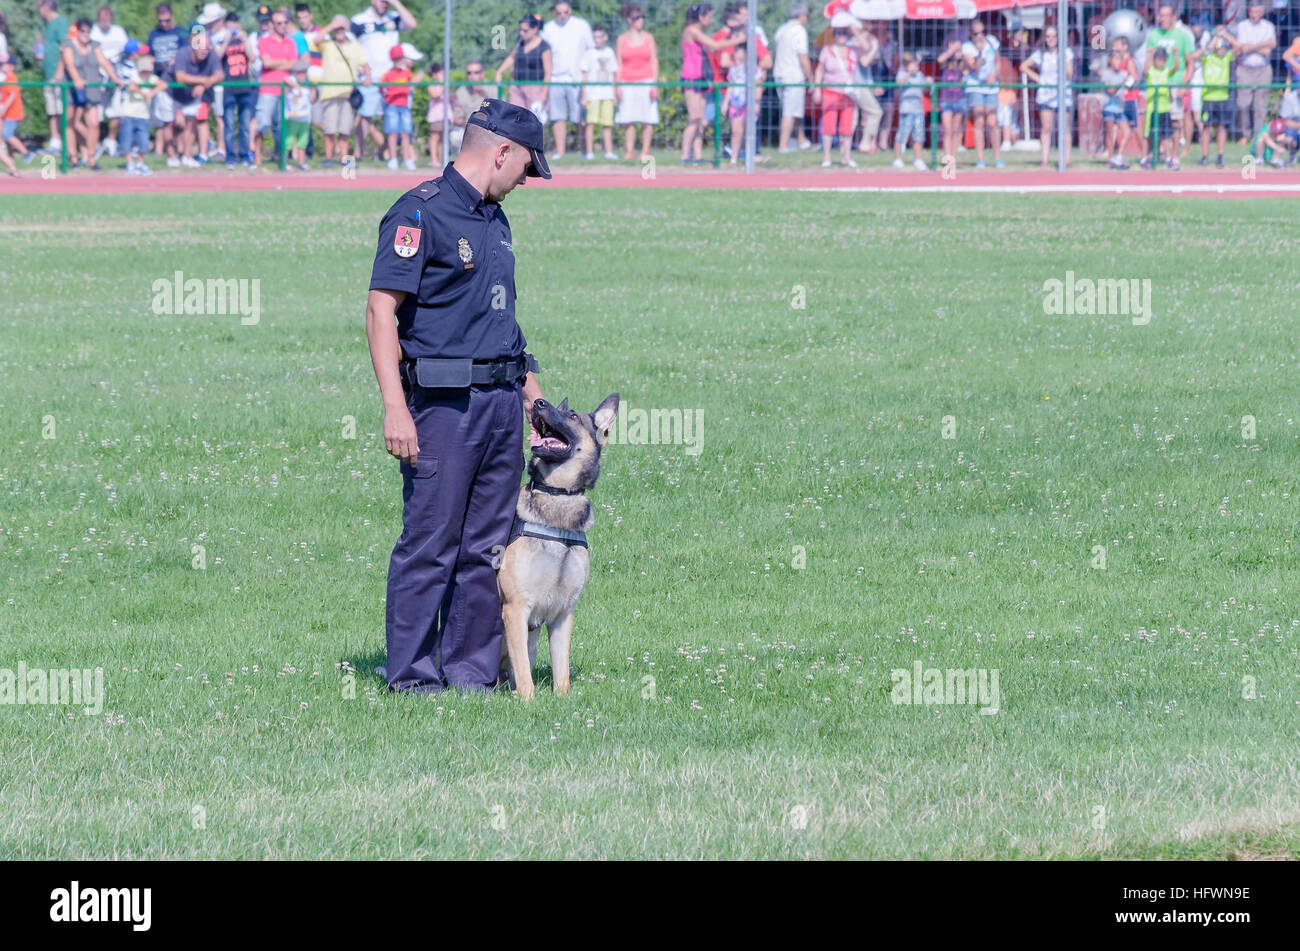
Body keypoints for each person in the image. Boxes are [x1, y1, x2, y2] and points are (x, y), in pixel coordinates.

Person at [365, 98, 549, 696]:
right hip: (442, 407)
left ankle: (471, 675)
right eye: (525, 165)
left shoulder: (496, 219)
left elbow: (500, 317)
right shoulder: (421, 214)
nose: (527, 178)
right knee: (430, 544)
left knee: (487, 549)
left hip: (500, 405)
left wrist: (531, 394)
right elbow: (381, 311)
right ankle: (413, 678)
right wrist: (395, 406)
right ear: (501, 152)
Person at [352, 0, 417, 160]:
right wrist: (358, 67)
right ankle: (357, 154)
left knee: (393, 118)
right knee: (365, 116)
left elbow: (412, 24)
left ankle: (388, 155)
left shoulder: (394, 17)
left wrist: (396, 3)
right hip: (371, 78)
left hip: (392, 78)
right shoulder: (359, 20)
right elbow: (350, 46)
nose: (384, 3)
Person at [679, 4, 739, 163]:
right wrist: (739, 39)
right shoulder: (692, 31)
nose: (711, 19)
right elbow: (715, 45)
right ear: (700, 17)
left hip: (701, 79)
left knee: (700, 118)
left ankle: (697, 155)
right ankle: (685, 154)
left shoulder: (699, 32)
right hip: (691, 79)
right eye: (709, 16)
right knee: (693, 118)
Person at [62, 18, 120, 171]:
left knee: (94, 123)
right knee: (70, 122)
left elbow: (104, 62)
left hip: (91, 90)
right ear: (78, 31)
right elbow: (69, 64)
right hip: (73, 89)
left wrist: (115, 78)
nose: (85, 35)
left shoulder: (94, 46)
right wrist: (76, 79)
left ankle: (91, 157)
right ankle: (73, 158)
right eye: (83, 31)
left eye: (88, 31)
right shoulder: (69, 45)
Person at [312, 14, 367, 168]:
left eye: (342, 28)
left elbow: (365, 63)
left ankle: (344, 158)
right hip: (330, 93)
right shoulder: (328, 44)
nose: (339, 31)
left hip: (348, 94)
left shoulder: (354, 45)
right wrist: (332, 25)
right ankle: (328, 158)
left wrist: (367, 76)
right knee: (329, 128)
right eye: (337, 29)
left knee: (345, 128)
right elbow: (316, 40)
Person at [542, 2, 593, 161]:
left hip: (576, 79)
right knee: (558, 118)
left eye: (565, 12)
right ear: (554, 13)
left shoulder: (582, 26)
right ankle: (560, 152)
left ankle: (585, 151)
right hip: (556, 78)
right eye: (559, 13)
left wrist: (587, 76)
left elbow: (591, 51)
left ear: (570, 11)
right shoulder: (548, 28)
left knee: (580, 118)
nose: (562, 15)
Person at [1021, 24, 1074, 168]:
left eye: (1054, 36)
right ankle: (1044, 160)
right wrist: (1038, 78)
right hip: (1046, 95)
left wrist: (1061, 62)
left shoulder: (1066, 52)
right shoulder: (1040, 54)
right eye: (1048, 36)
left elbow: (1070, 73)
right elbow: (1024, 66)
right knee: (1046, 128)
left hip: (1063, 95)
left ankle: (1066, 160)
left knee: (1065, 128)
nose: (1050, 39)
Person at [172, 27, 224, 168]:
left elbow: (219, 75)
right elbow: (180, 77)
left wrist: (204, 84)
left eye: (206, 47)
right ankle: (173, 156)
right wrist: (202, 81)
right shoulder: (183, 53)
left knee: (193, 122)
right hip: (175, 95)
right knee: (173, 124)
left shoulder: (211, 54)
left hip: (194, 95)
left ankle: (189, 155)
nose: (203, 50)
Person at [1145, 3, 1194, 148]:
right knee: (1156, 122)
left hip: (1175, 83)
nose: (1163, 19)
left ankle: (1177, 153)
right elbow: (1148, 63)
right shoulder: (1153, 35)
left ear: (1174, 17)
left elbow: (1190, 62)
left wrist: (1185, 85)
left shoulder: (1182, 35)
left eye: (1166, 15)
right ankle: (1158, 153)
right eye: (1161, 15)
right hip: (1158, 88)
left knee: (1175, 120)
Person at [614, 3, 659, 162]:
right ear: (629, 20)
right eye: (636, 18)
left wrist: (655, 82)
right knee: (628, 118)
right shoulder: (622, 39)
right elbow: (618, 63)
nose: (640, 20)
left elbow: (654, 60)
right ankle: (629, 151)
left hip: (645, 80)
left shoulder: (648, 38)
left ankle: (645, 151)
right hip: (627, 81)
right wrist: (617, 85)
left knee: (648, 118)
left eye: (642, 17)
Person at [254, 9, 297, 167]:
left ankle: (279, 157)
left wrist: (275, 62)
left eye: (285, 23)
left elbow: (293, 64)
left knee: (281, 126)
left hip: (285, 91)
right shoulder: (264, 41)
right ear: (272, 25)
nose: (283, 26)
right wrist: (283, 62)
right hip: (267, 89)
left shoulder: (290, 42)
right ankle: (257, 157)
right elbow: (266, 63)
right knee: (262, 123)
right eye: (279, 23)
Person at [812, 19, 856, 168]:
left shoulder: (852, 51)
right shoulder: (827, 51)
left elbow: (867, 50)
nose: (842, 37)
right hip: (830, 91)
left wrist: (855, 30)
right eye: (839, 34)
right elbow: (820, 69)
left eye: (844, 34)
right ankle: (827, 156)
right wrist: (817, 88)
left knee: (846, 126)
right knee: (828, 124)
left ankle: (846, 157)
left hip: (847, 93)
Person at [147, 3, 186, 167]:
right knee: (165, 121)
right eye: (161, 21)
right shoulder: (153, 35)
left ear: (172, 16)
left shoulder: (180, 33)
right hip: (160, 81)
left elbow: (186, 54)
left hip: (178, 83)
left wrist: (174, 63)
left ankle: (183, 152)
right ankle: (168, 153)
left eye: (167, 20)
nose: (164, 24)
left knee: (182, 121)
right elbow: (149, 56)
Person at [1231, 2, 1275, 143]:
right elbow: (1242, 48)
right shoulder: (1242, 26)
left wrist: (1252, 47)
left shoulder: (1269, 26)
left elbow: (1271, 47)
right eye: (1251, 12)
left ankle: (1258, 135)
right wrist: (1261, 46)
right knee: (1243, 104)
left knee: (1260, 105)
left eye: (1257, 12)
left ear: (1262, 12)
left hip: (1263, 69)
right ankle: (1245, 134)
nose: (1254, 15)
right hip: (1245, 69)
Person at [962, 18, 1003, 168]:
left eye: (982, 32)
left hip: (991, 87)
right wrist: (979, 52)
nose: (979, 36)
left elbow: (998, 61)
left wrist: (994, 74)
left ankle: (997, 157)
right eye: (976, 33)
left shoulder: (992, 41)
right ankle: (980, 158)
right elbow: (975, 68)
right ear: (971, 34)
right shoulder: (967, 47)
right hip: (975, 87)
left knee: (993, 122)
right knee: (979, 121)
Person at [772, 3, 813, 154]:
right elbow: (803, 57)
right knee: (789, 112)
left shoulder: (782, 29)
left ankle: (802, 141)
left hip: (779, 74)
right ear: (802, 15)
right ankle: (783, 146)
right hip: (793, 76)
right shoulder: (799, 31)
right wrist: (811, 77)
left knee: (794, 109)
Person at [497, 15, 551, 123]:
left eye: (525, 30)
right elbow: (512, 57)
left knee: (534, 122)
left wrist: (543, 96)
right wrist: (500, 71)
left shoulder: (544, 47)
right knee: (515, 120)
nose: (521, 33)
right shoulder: (520, 43)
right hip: (517, 87)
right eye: (520, 30)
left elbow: (548, 72)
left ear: (535, 29)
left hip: (535, 88)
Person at [218, 12, 255, 168]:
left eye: (235, 24)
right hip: (229, 88)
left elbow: (252, 57)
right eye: (229, 25)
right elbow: (217, 56)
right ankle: (230, 157)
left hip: (244, 87)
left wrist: (245, 40)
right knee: (229, 125)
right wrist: (226, 41)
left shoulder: (245, 39)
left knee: (245, 125)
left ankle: (245, 155)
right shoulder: (221, 40)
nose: (233, 28)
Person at [1198, 26, 1238, 167]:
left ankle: (1220, 155)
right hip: (1208, 97)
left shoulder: (1227, 57)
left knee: (1222, 126)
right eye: (1220, 48)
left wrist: (1226, 35)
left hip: (1222, 98)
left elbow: (1239, 47)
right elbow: (1200, 53)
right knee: (1206, 127)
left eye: (1224, 48)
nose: (1222, 51)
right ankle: (1204, 156)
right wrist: (1215, 36)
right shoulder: (1209, 57)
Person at [91, 5, 128, 157]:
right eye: (102, 17)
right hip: (98, 77)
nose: (105, 21)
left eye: (107, 17)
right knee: (96, 114)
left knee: (116, 112)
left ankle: (111, 141)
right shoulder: (93, 32)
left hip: (115, 76)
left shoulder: (118, 32)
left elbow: (127, 50)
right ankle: (96, 143)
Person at [579, 24, 619, 160]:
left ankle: (608, 152)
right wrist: (584, 96)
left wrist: (615, 94)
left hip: (607, 93)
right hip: (592, 94)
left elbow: (614, 74)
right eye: (594, 37)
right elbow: (584, 76)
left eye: (599, 37)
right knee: (591, 123)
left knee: (607, 124)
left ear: (605, 38)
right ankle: (589, 153)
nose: (597, 40)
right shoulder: (589, 54)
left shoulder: (610, 52)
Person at [118, 49, 160, 175]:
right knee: (127, 140)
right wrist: (143, 93)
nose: (145, 73)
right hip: (129, 114)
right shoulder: (134, 76)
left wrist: (152, 92)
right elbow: (131, 86)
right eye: (143, 70)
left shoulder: (152, 78)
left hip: (143, 115)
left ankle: (141, 163)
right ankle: (130, 163)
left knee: (143, 141)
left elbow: (163, 84)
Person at [847, 20, 884, 156]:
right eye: (867, 31)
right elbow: (864, 61)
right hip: (857, 84)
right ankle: (864, 143)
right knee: (875, 112)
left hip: (863, 83)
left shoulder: (858, 42)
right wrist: (873, 47)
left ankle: (846, 146)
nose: (869, 34)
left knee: (854, 116)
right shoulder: (853, 43)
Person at [38, 0, 70, 152]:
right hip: (48, 74)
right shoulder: (47, 24)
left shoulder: (61, 22)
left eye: (40, 6)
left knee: (61, 109)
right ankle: (55, 140)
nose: (39, 10)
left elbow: (65, 48)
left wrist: (60, 70)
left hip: (58, 75)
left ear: (47, 7)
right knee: (52, 109)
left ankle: (67, 143)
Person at [380, 42, 417, 171]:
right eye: (395, 59)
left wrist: (398, 90)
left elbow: (409, 87)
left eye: (399, 58)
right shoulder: (388, 74)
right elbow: (382, 87)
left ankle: (406, 159)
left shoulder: (406, 72)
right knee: (392, 133)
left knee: (406, 133)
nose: (398, 62)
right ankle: (393, 158)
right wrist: (388, 94)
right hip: (391, 105)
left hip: (404, 105)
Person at [892, 52, 928, 171]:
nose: (916, 68)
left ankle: (918, 158)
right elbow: (899, 83)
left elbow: (925, 89)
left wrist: (928, 82)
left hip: (918, 110)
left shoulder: (919, 75)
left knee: (918, 134)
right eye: (913, 65)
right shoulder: (902, 73)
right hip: (906, 109)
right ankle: (897, 158)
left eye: (917, 65)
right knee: (902, 134)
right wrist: (908, 73)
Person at [1143, 47, 1178, 168]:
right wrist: (1149, 54)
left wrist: (1176, 54)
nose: (1160, 63)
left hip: (1164, 109)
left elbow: (1176, 68)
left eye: (1163, 60)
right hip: (1152, 109)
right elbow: (1145, 71)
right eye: (1158, 60)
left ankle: (1168, 158)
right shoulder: (1151, 71)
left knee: (1166, 135)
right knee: (1150, 136)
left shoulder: (1165, 71)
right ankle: (1148, 157)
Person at [936, 34, 966, 165]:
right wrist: (952, 51)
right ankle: (947, 159)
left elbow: (968, 71)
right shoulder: (945, 63)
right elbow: (940, 60)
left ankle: (953, 158)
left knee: (956, 131)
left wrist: (962, 57)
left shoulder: (961, 63)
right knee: (947, 131)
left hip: (959, 99)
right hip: (946, 100)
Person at [1100, 48, 1133, 169]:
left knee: (1127, 132)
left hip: (1120, 108)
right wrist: (1122, 83)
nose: (1118, 62)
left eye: (1120, 59)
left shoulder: (1123, 74)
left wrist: (1130, 82)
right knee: (1110, 134)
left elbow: (1133, 80)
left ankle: (1118, 157)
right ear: (1110, 60)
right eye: (1116, 59)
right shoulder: (1106, 74)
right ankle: (1110, 159)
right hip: (1109, 108)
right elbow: (1110, 90)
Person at [1253, 86, 1300, 166]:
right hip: (1262, 146)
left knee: (1283, 138)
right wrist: (1276, 147)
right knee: (1261, 140)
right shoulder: (1268, 126)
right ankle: (1260, 159)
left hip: (1274, 141)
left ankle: (1275, 159)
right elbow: (1264, 136)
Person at [0, 54, 30, 168]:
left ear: (12, 66)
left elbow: (12, 95)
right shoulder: (6, 78)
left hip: (12, 113)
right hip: (8, 113)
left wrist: (4, 108)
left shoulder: (11, 78)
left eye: (4, 65)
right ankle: (12, 162)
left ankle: (26, 153)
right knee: (6, 138)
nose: (2, 66)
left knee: (6, 135)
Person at [425, 62, 447, 168]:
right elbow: (435, 95)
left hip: (445, 115)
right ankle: (433, 159)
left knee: (443, 138)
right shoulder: (432, 85)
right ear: (434, 75)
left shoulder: (444, 85)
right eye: (441, 73)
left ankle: (442, 159)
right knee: (435, 138)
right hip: (436, 115)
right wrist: (443, 85)